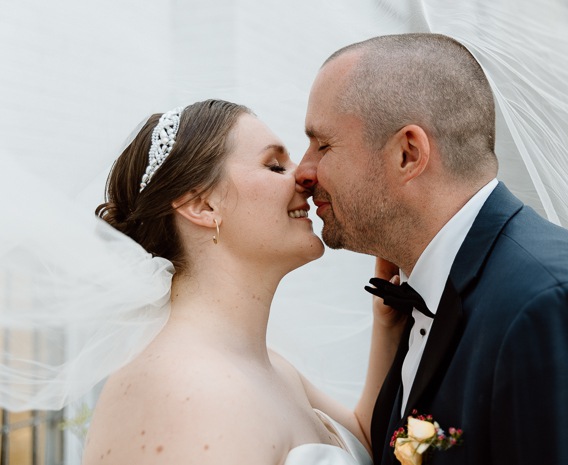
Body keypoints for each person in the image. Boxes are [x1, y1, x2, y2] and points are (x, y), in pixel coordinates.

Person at [296, 33, 568, 465]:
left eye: (323, 145)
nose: (303, 171)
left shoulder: (558, 307)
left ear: (408, 153)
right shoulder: (429, 296)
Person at [77, 99, 397, 465]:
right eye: (275, 165)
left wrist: (386, 325)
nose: (307, 179)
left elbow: (364, 446)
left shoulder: (272, 367)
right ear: (203, 206)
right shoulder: (189, 389)